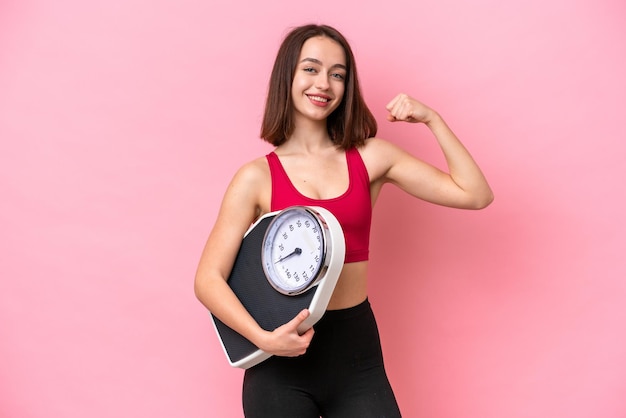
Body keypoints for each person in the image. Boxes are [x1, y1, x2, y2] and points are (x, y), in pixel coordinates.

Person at [194, 24, 493, 417]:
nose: (325, 83)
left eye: (338, 74)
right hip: (279, 362)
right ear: (288, 76)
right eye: (312, 69)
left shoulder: (371, 157)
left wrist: (432, 119)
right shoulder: (255, 177)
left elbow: (475, 194)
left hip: (356, 355)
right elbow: (207, 279)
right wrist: (264, 339)